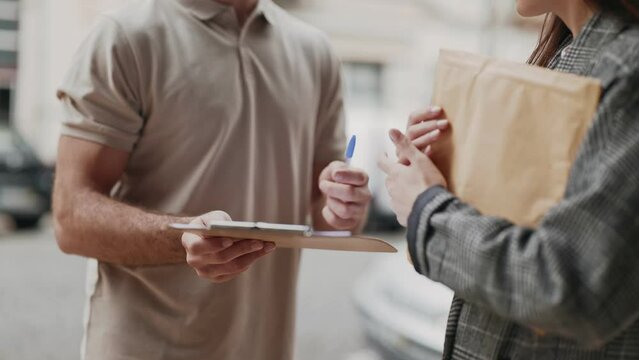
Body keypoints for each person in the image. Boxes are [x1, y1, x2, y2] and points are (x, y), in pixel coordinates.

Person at [52, 0, 372, 359]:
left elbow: (328, 214)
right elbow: (71, 217)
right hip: (143, 348)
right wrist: (182, 237)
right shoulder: (125, 36)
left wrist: (344, 207)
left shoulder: (315, 51)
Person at [378, 0, 639, 359]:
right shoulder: (567, 61)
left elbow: (570, 287)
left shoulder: (627, 69)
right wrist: (446, 175)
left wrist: (429, 211)